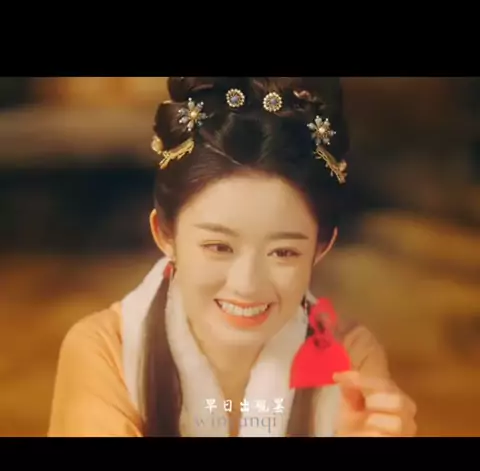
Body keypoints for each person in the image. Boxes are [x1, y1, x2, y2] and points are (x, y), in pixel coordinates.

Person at [48, 77, 417, 437]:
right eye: (218, 247)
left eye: (283, 252)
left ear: (322, 248)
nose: (247, 285)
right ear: (165, 234)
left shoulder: (348, 357)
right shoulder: (107, 349)